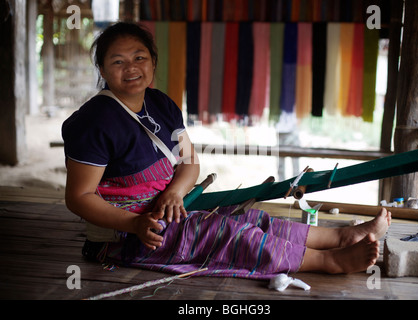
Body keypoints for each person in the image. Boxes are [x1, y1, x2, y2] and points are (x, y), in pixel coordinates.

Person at [63, 22, 391, 280]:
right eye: (117, 61)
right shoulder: (94, 122)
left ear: (152, 61)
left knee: (249, 217)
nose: (131, 67)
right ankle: (328, 261)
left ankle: (342, 238)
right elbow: (79, 197)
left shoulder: (160, 103)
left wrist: (176, 192)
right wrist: (134, 225)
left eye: (139, 57)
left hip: (174, 210)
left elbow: (189, 163)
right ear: (103, 71)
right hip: (129, 235)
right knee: (224, 232)